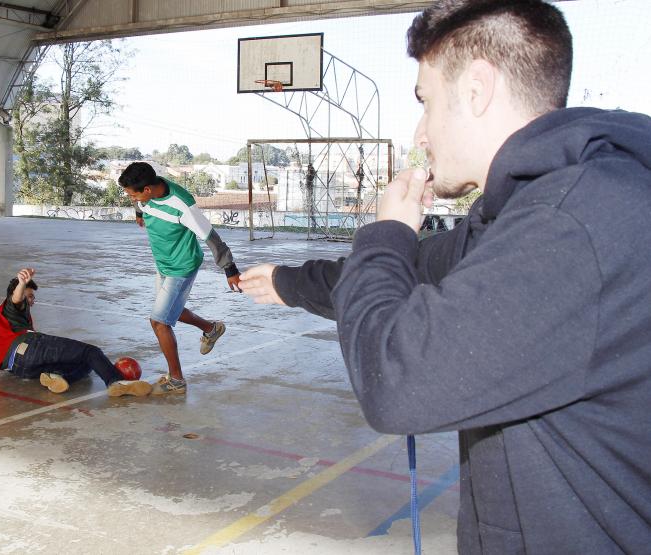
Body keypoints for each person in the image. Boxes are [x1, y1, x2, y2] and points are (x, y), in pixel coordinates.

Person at [239, 1, 651, 552]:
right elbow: (406, 270)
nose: (422, 132)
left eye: (426, 103)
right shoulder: (522, 216)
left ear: (477, 89)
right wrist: (288, 283)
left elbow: (397, 384)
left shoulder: (574, 223)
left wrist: (386, 231)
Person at [118, 162, 241, 395]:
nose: (131, 198)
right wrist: (138, 212)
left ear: (147, 190)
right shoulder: (144, 196)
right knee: (170, 310)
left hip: (181, 266)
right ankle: (211, 329)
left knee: (159, 321)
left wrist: (230, 269)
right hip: (163, 263)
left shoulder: (182, 205)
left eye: (132, 195)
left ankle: (176, 379)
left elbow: (211, 237)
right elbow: (138, 203)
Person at [0, 268, 152, 397]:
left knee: (86, 364)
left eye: (33, 296)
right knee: (90, 352)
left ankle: (59, 379)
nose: (32, 300)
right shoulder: (11, 305)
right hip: (30, 347)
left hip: (19, 369)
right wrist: (21, 283)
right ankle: (117, 383)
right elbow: (16, 299)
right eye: (29, 296)